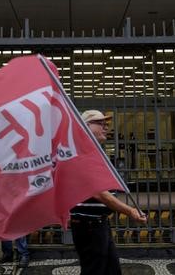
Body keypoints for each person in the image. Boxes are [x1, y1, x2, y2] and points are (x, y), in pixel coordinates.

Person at [70, 110, 147, 275]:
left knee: (111, 270)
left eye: (106, 124)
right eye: (100, 123)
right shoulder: (80, 153)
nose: (105, 127)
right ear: (85, 126)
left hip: (99, 223)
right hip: (88, 225)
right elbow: (99, 193)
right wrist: (130, 211)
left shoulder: (93, 152)